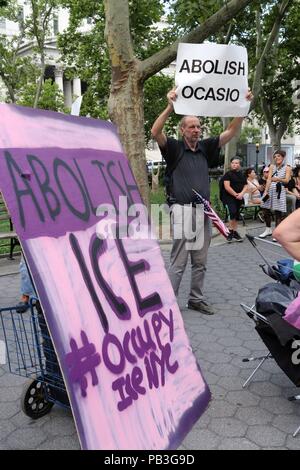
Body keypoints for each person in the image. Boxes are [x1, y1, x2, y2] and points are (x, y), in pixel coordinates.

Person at [151, 86, 252, 315]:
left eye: (198, 126)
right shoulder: (174, 148)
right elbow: (155, 132)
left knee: (201, 260)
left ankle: (196, 299)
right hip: (182, 210)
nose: (197, 130)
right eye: (192, 126)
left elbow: (231, 132)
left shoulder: (206, 147)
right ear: (182, 129)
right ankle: (169, 304)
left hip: (203, 211)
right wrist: (169, 106)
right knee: (179, 261)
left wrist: (243, 108)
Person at [259, 150, 291, 240]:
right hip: (270, 189)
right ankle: (268, 229)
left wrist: (277, 179)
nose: (276, 158)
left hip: (279, 190)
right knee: (265, 209)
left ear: (283, 157)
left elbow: (287, 180)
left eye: (278, 156)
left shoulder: (287, 167)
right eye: (275, 156)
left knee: (278, 212)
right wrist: (265, 191)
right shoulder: (272, 166)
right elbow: (269, 179)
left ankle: (276, 233)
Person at [222, 157, 248, 243]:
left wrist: (241, 194)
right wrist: (236, 194)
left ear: (239, 165)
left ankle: (233, 232)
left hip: (239, 197)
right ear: (230, 164)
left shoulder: (242, 174)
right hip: (229, 197)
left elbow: (246, 186)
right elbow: (227, 187)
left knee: (236, 215)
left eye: (236, 163)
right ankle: (231, 231)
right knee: (232, 212)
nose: (234, 164)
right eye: (233, 163)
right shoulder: (228, 174)